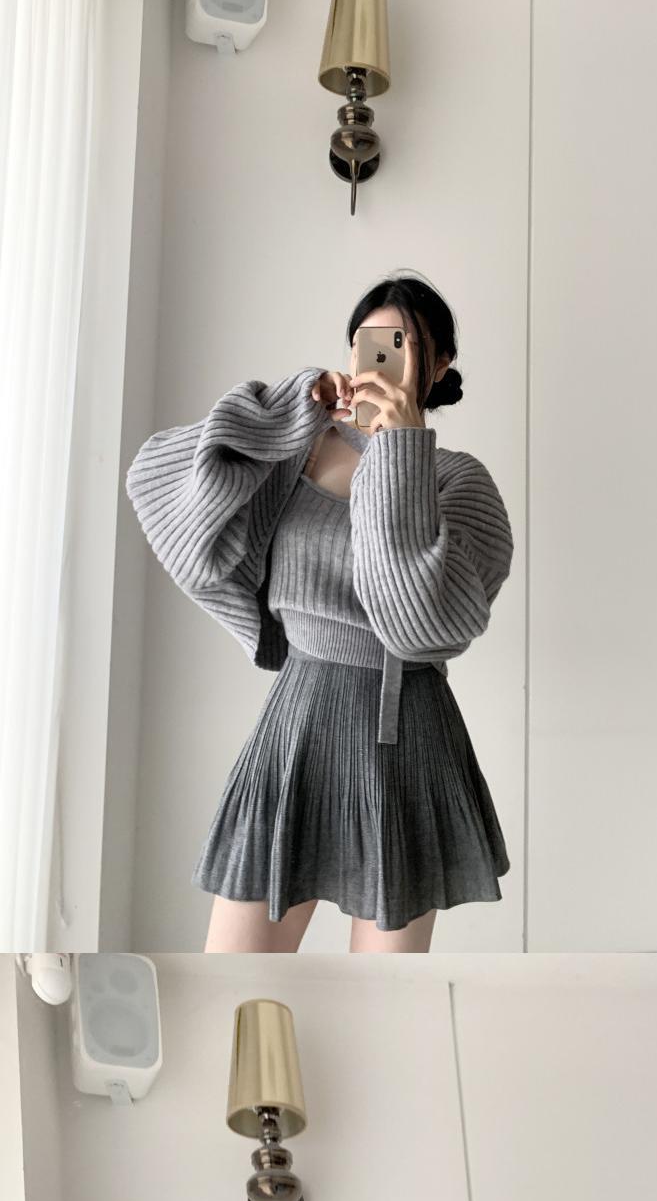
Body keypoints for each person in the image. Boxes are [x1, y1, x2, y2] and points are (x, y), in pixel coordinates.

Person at [127, 274, 513, 953]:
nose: (381, 359)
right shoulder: (298, 449)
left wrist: (399, 452)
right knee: (233, 981)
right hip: (297, 722)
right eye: (369, 342)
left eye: (403, 344)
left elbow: (419, 624)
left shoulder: (459, 481)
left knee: (383, 996)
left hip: (405, 737)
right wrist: (286, 409)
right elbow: (158, 483)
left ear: (439, 365)